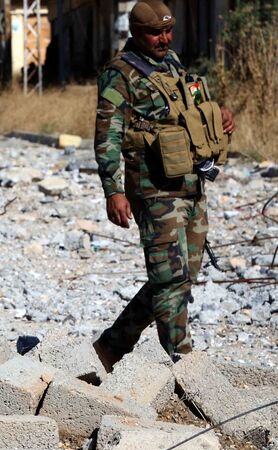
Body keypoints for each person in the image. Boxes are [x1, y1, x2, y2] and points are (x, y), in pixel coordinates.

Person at [92, 0, 235, 370]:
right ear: (136, 33)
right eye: (156, 32)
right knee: (170, 280)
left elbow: (191, 107)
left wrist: (217, 117)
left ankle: (111, 346)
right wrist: (114, 190)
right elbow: (107, 135)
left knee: (179, 278)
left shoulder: (172, 63)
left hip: (191, 183)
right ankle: (181, 367)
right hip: (154, 191)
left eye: (168, 31)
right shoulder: (119, 74)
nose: (164, 38)